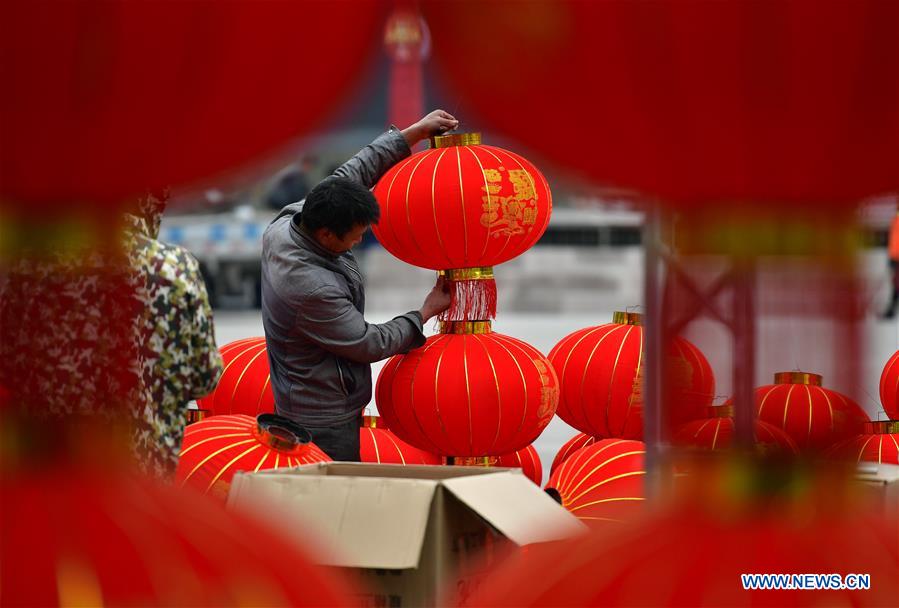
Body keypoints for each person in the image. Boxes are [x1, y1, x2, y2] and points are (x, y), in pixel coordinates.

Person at [261, 110, 457, 461]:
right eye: (354, 237)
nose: (357, 242)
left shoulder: (295, 219)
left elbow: (351, 174)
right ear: (326, 234)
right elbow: (368, 342)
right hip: (322, 417)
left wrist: (413, 133)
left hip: (307, 396)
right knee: (329, 486)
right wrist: (424, 312)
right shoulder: (310, 287)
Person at [125, 191, 224, 478]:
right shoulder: (173, 268)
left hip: (55, 470)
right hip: (146, 464)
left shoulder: (35, 268)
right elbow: (205, 377)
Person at [883, 204, 899, 319]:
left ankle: (891, 310)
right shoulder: (895, 220)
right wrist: (891, 258)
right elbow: (893, 241)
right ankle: (891, 310)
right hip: (895, 257)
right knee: (896, 285)